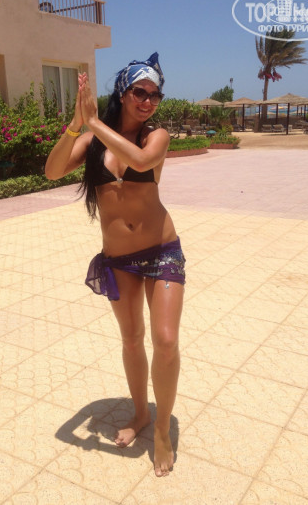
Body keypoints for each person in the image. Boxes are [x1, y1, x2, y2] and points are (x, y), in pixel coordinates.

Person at [45, 53, 185, 477]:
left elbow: (140, 163)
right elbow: (52, 171)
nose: (148, 101)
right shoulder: (93, 139)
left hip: (162, 250)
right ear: (123, 93)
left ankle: (161, 428)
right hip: (119, 258)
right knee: (132, 338)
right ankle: (141, 413)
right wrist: (77, 125)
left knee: (165, 340)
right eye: (140, 92)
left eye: (155, 95)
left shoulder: (156, 136)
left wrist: (93, 123)